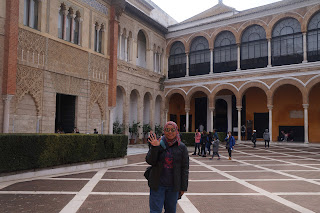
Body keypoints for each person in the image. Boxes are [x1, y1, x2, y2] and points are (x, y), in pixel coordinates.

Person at [146, 121, 189, 213]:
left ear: (176, 131)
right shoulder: (158, 144)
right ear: (164, 131)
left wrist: (183, 187)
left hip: (173, 186)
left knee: (171, 211)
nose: (170, 132)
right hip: (158, 184)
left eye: (173, 130)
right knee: (155, 211)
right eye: (167, 130)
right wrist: (154, 148)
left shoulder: (181, 147)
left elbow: (185, 168)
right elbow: (150, 161)